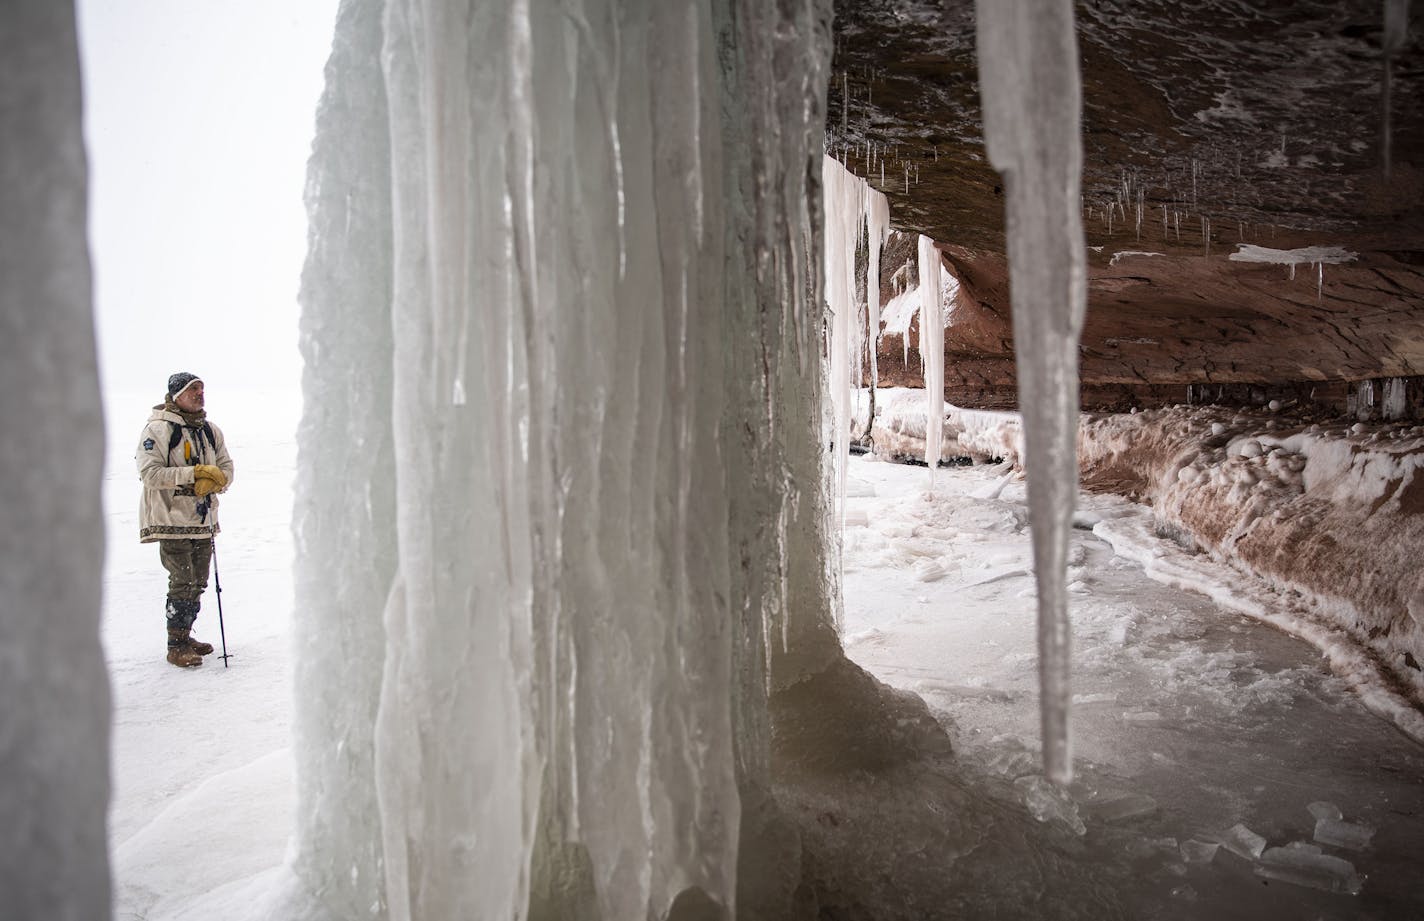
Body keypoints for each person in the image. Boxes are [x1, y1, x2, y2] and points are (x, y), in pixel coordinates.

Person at [136, 372, 235, 667]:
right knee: (182, 579)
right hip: (170, 516)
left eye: (202, 389)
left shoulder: (210, 431)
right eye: (193, 389)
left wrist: (218, 480)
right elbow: (149, 474)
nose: (200, 394)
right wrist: (193, 475)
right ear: (176, 395)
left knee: (199, 580)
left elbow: (227, 466)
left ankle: (185, 634)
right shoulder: (158, 429)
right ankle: (176, 644)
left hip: (201, 518)